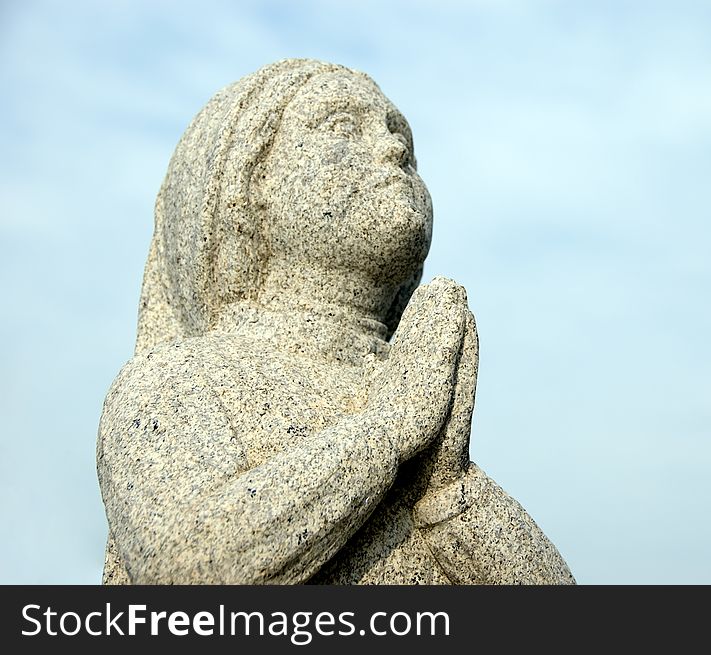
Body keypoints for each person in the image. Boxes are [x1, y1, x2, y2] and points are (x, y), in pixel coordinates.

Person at [97, 59, 575, 584]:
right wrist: (387, 432)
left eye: (404, 142)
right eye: (342, 126)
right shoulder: (176, 380)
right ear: (244, 189)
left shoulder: (418, 398)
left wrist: (446, 488)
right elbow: (185, 569)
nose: (394, 149)